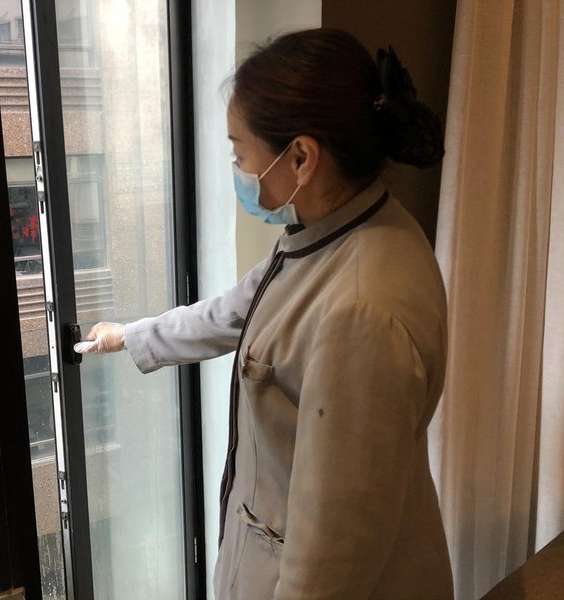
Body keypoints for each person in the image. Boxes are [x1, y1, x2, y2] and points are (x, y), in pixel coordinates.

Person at [75, 28, 453, 600]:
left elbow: (331, 562)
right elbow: (234, 312)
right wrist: (129, 335)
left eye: (239, 151)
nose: (236, 167)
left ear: (300, 157)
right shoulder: (337, 233)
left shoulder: (361, 313)